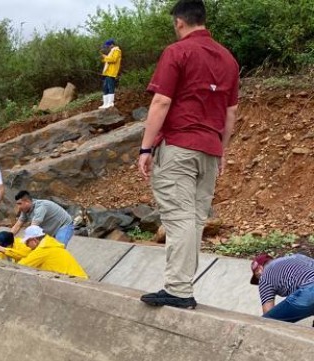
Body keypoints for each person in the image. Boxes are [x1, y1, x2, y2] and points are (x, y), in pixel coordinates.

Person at [138, 0, 239, 310]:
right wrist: (221, 149)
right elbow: (231, 112)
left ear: (179, 22)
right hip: (209, 149)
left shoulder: (177, 52)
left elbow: (161, 102)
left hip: (180, 146)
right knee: (194, 220)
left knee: (179, 218)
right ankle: (182, 286)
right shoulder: (228, 59)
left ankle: (179, 290)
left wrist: (145, 146)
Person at [250, 253, 314, 324]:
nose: (259, 281)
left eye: (257, 277)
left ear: (259, 270)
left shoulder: (264, 277)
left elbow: (268, 312)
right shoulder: (298, 256)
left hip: (310, 291)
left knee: (267, 323)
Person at [11, 226, 88, 278]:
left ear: (34, 240)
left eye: (27, 242)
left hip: (75, 282)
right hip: (80, 278)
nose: (26, 245)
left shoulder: (43, 250)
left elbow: (21, 266)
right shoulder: (51, 244)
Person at [10, 191, 74, 246]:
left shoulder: (40, 207)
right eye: (17, 204)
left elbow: (33, 228)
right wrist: (6, 239)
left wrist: (24, 242)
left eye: (19, 204)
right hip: (51, 229)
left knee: (58, 247)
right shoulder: (25, 210)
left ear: (27, 201)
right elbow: (17, 226)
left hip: (64, 226)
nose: (18, 207)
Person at [100, 39, 122, 109]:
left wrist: (105, 57)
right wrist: (104, 58)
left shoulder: (117, 51)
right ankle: (105, 103)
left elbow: (113, 60)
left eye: (108, 46)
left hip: (111, 72)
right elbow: (109, 59)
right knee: (105, 88)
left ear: (112, 44)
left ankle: (110, 103)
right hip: (107, 72)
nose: (108, 47)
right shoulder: (111, 51)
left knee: (110, 87)